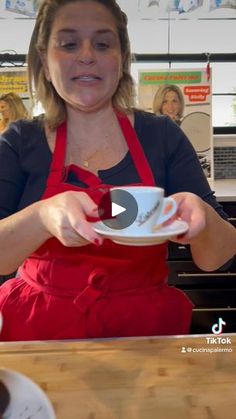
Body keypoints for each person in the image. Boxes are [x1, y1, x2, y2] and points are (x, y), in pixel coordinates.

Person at [0, 0, 235, 342]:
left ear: (122, 58)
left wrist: (201, 219)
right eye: (68, 44)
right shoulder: (21, 141)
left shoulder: (162, 136)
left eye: (102, 43)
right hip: (38, 334)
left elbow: (218, 256)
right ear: (45, 62)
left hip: (146, 335)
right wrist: (41, 216)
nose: (86, 55)